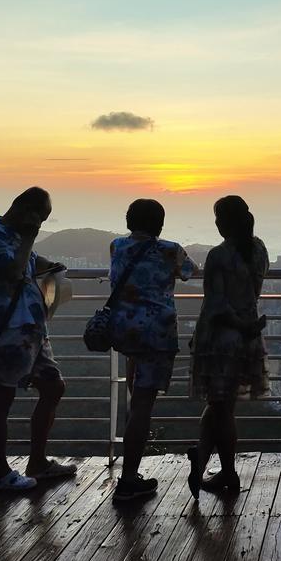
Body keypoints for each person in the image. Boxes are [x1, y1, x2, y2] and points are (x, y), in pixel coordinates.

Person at [0, 187, 74, 492]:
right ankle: (1, 473)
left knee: (53, 387)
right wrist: (31, 235)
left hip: (31, 331)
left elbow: (27, 262)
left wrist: (49, 266)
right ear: (24, 209)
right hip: (8, 332)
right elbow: (13, 271)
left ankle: (38, 463)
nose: (41, 223)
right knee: (1, 400)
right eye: (40, 217)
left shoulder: (14, 238)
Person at [107, 198, 196, 502]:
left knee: (136, 399)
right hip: (156, 335)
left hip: (126, 332)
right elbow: (189, 271)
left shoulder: (116, 246)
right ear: (159, 224)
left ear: (128, 219)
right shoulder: (169, 249)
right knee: (143, 405)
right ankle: (129, 479)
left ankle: (131, 473)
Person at [186, 195, 269, 498]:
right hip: (247, 338)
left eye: (218, 218)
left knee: (221, 407)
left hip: (220, 338)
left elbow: (217, 303)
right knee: (222, 405)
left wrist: (224, 328)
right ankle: (205, 461)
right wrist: (247, 326)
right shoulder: (259, 249)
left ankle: (227, 473)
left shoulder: (218, 256)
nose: (216, 223)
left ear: (225, 222)